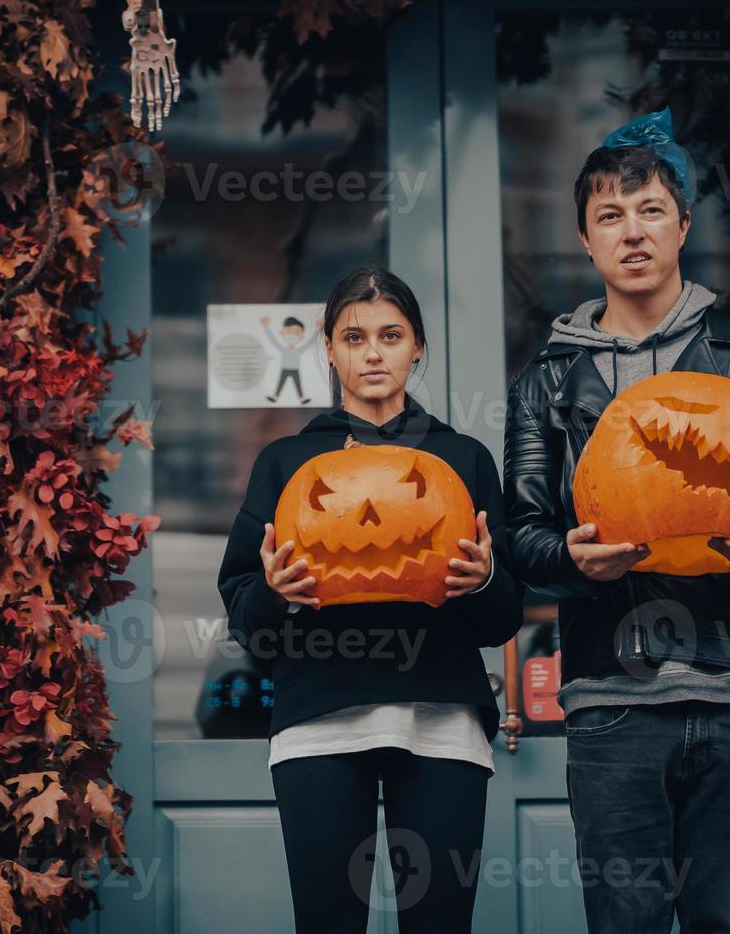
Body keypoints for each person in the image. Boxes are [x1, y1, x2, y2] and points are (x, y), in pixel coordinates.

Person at [503, 108, 730, 933]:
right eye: (609, 216)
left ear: (683, 224)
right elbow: (522, 534)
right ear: (585, 241)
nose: (632, 232)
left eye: (650, 210)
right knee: (626, 923)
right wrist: (574, 560)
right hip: (612, 699)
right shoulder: (549, 380)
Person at [218, 267, 524, 933]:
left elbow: (502, 617)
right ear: (328, 350)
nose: (373, 352)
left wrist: (481, 583)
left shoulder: (461, 458)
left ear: (417, 347)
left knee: (439, 924)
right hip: (318, 716)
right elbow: (244, 616)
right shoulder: (287, 463)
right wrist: (274, 596)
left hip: (440, 716)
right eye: (354, 337)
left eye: (391, 335)